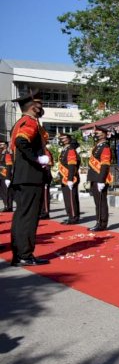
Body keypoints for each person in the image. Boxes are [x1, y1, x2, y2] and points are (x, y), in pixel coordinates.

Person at [8, 90, 50, 266]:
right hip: (31, 176)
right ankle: (25, 254)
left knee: (21, 216)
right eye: (39, 104)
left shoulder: (20, 122)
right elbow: (21, 142)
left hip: (22, 176)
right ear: (33, 106)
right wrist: (37, 159)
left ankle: (20, 254)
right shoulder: (30, 122)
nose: (41, 107)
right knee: (28, 217)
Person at [87, 125, 112, 231]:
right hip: (94, 178)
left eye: (98, 132)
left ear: (104, 134)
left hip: (100, 179)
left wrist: (101, 180)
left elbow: (105, 165)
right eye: (96, 132)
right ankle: (98, 221)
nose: (96, 134)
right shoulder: (97, 147)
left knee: (101, 202)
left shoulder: (105, 147)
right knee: (97, 202)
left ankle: (102, 224)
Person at [57, 133, 81, 224]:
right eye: (60, 138)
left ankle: (73, 217)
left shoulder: (70, 150)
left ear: (68, 139)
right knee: (67, 198)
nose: (61, 140)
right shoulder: (64, 150)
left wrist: (70, 179)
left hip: (70, 178)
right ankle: (71, 215)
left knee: (71, 198)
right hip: (65, 177)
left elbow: (72, 165)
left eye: (63, 138)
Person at [38, 145, 53, 220]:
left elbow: (49, 162)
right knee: (41, 195)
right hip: (40, 174)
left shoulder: (45, 151)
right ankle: (41, 211)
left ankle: (46, 212)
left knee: (45, 194)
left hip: (46, 174)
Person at [0, 140, 13, 212]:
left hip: (5, 175)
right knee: (2, 192)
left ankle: (8, 206)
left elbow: (9, 166)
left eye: (2, 145)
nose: (1, 146)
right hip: (1, 175)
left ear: (6, 146)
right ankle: (6, 205)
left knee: (7, 192)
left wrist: (8, 177)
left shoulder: (7, 154)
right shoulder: (1, 153)